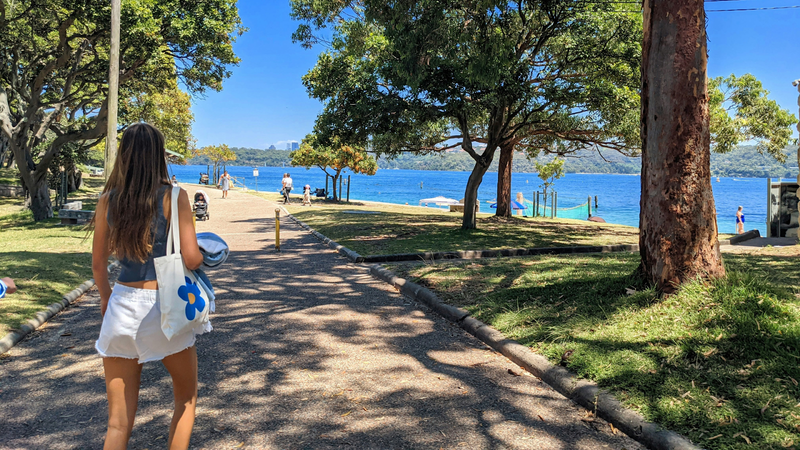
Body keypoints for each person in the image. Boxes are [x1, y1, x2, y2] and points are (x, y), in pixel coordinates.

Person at [91, 123, 206, 450]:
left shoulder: (107, 201)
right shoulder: (175, 196)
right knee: (185, 399)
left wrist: (105, 298)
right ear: (159, 155)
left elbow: (99, 265)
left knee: (117, 423)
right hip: (164, 306)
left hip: (123, 305)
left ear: (124, 155)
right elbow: (193, 258)